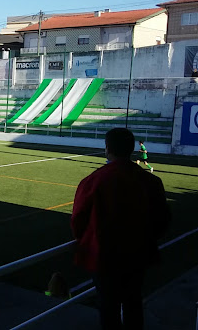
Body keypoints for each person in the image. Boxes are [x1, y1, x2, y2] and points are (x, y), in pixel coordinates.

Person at [71, 128, 170, 330]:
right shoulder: (152, 181)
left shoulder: (93, 180)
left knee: (109, 308)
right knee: (133, 303)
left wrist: (88, 242)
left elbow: (78, 221)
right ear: (132, 149)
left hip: (104, 258)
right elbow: (162, 219)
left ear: (107, 148)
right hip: (138, 255)